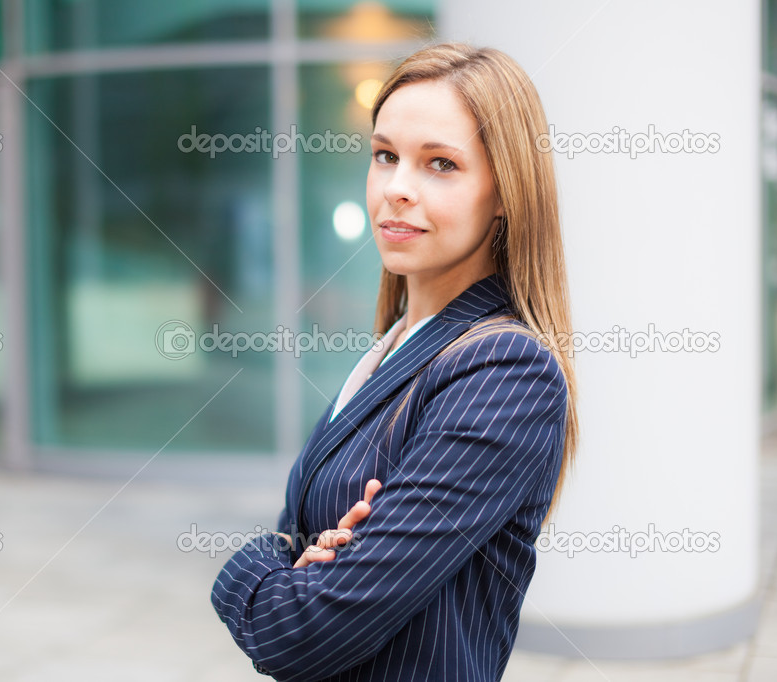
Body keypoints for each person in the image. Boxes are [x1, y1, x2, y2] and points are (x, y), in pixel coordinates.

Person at [211, 42, 579, 682]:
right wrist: (297, 563)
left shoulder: (506, 371)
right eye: (385, 156)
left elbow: (304, 634)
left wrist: (241, 573)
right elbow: (295, 534)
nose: (397, 189)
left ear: (504, 193)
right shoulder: (398, 343)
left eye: (440, 164)